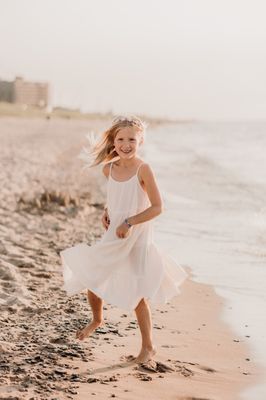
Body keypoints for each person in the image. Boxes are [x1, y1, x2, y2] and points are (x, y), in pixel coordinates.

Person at [60, 115, 188, 363]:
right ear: (113, 141)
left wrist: (129, 222)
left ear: (141, 140)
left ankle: (148, 347)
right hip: (114, 233)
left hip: (136, 237)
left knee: (138, 294)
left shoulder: (144, 169)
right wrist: (107, 213)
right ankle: (97, 319)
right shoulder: (109, 168)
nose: (126, 144)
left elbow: (158, 207)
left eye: (132, 139)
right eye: (121, 139)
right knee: (92, 275)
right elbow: (116, 198)